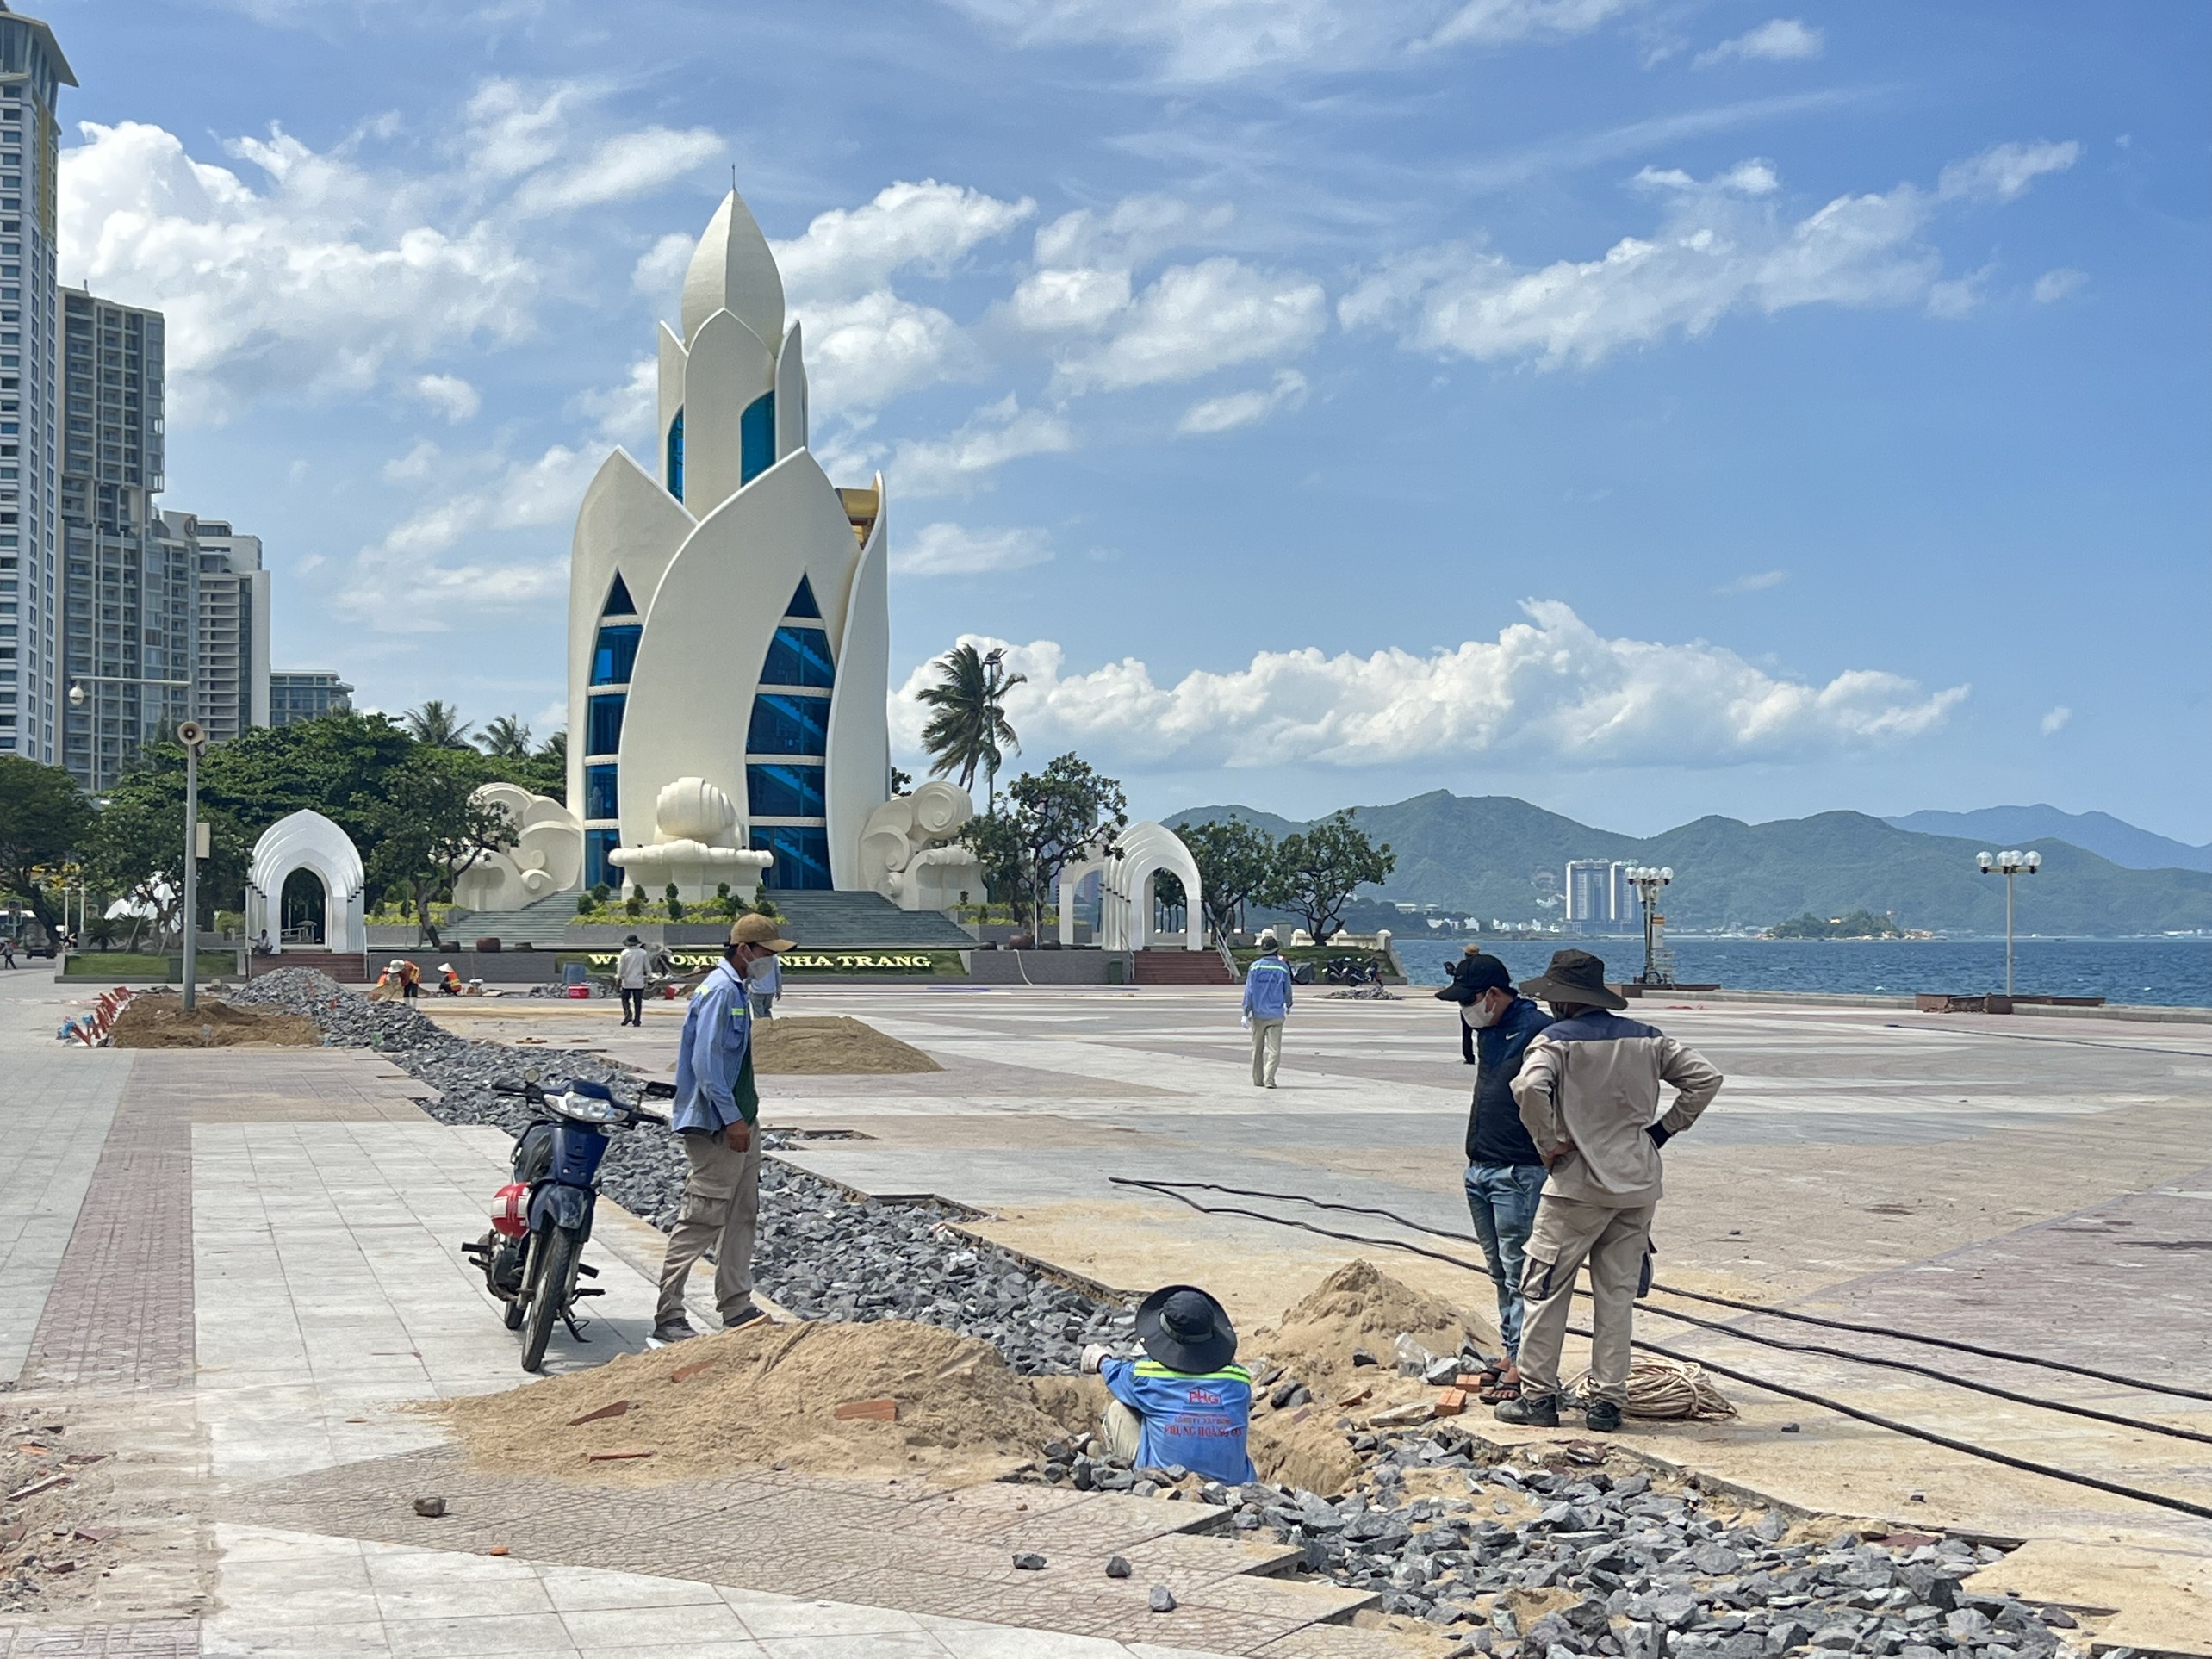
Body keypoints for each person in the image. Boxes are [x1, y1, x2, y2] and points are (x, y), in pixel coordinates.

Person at [1497, 949, 1723, 1433]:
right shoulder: (1649, 1039)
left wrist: (1548, 1142)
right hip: (1637, 1185)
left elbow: (1529, 1088)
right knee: (1616, 1298)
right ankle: (1607, 1403)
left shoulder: (1554, 1041)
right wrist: (1663, 1130)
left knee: (1545, 1290)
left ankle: (1538, 1397)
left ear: (1561, 1000)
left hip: (1576, 1186)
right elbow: (1706, 1078)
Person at [653, 912, 794, 1344]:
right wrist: (732, 1119)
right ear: (744, 951)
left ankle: (735, 1304)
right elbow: (706, 1065)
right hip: (718, 1124)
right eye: (767, 953)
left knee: (741, 1213)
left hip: (742, 1120)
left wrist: (744, 1120)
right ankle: (669, 1313)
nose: (771, 962)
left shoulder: (736, 989)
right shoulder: (719, 991)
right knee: (703, 1217)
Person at [1456, 951, 1554, 1401]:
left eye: (1469, 1000)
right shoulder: (1487, 1029)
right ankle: (1510, 1349)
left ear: (1493, 995)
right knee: (1498, 1269)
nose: (1466, 1010)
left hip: (1517, 1169)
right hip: (1481, 1164)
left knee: (1520, 1271)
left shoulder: (1537, 1030)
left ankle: (1524, 1362)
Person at [1081, 1284, 1256, 1484]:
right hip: (1237, 1490)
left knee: (1118, 1410)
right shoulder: (1240, 1381)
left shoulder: (1148, 1378)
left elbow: (1115, 1373)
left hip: (1166, 1485)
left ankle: (1120, 1470)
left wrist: (1101, 1359)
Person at [1242, 931, 1294, 1088]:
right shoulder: (1283, 968)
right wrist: (1289, 1004)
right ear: (1276, 950)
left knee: (1257, 1049)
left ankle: (1258, 1079)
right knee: (1274, 1050)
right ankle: (1269, 1079)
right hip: (1276, 1014)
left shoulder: (1255, 967)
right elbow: (1288, 990)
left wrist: (1245, 1012)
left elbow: (1249, 992)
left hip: (1258, 1014)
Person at [1437, 943, 1489, 1063]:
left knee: (1467, 1032)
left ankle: (1469, 1057)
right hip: (1483, 1000)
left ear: (1466, 954)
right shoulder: (1485, 965)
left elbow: (1459, 982)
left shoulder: (1464, 966)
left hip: (1467, 1001)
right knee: (1484, 1030)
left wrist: (1453, 972)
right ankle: (1485, 1055)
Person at [616, 934, 651, 1027]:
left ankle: (628, 1013)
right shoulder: (643, 953)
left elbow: (621, 968)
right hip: (639, 981)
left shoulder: (624, 953)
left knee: (625, 999)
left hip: (627, 981)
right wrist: (649, 976)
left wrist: (619, 978)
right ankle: (637, 1020)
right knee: (638, 1002)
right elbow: (647, 966)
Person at [745, 940, 781, 1020]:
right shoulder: (773, 957)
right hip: (770, 991)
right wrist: (779, 989)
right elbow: (778, 973)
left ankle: (761, 1027)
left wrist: (744, 986)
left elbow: (749, 974)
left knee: (758, 1015)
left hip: (757, 991)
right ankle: (770, 1026)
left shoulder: (754, 956)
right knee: (767, 1012)